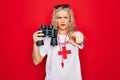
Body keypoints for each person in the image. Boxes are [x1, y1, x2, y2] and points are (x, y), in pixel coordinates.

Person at [32, 4, 84, 80]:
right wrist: (35, 43)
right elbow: (36, 61)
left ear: (70, 19)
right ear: (55, 20)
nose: (62, 21)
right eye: (59, 18)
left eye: (65, 17)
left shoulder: (73, 36)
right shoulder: (49, 38)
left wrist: (79, 37)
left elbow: (78, 37)